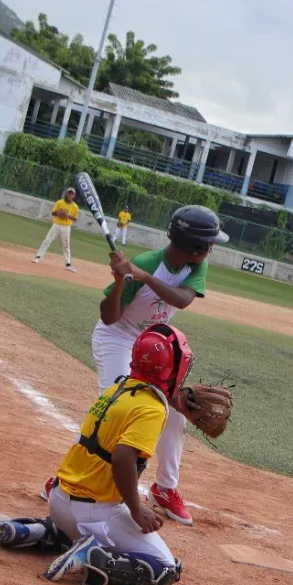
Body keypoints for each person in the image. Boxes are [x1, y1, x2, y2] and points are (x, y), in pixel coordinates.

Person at [42, 205, 227, 526]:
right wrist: (120, 281)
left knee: (173, 416)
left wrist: (141, 278)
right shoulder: (145, 264)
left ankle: (165, 489)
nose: (212, 248)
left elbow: (182, 299)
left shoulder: (195, 266)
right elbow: (109, 317)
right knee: (118, 411)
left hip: (153, 343)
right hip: (116, 337)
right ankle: (65, 481)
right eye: (209, 242)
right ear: (195, 244)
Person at [0, 324, 199, 585]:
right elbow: (122, 458)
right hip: (94, 512)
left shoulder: (116, 389)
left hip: (59, 501)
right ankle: (91, 556)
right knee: (166, 567)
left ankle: (38, 532)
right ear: (171, 369)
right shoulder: (152, 408)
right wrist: (136, 509)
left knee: (79, 526)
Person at [33, 188, 80, 272]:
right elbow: (53, 213)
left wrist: (68, 215)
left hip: (66, 227)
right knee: (47, 240)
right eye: (69, 193)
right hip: (56, 225)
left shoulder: (74, 207)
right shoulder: (60, 202)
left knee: (66, 246)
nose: (70, 195)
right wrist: (59, 213)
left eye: (72, 193)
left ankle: (68, 264)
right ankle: (37, 257)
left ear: (74, 196)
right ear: (66, 193)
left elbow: (75, 218)